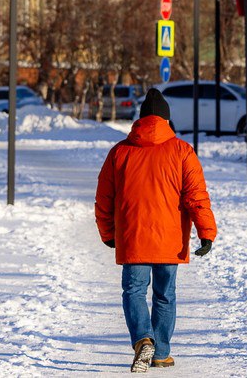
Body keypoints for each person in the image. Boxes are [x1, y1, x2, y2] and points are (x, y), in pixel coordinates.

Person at [95, 88, 217, 372]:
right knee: (165, 294)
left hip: (133, 237)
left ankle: (142, 340)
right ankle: (160, 352)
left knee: (134, 291)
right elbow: (196, 196)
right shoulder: (182, 151)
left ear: (140, 120)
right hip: (169, 239)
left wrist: (108, 233)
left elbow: (104, 198)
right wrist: (206, 232)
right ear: (166, 119)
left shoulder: (120, 152)